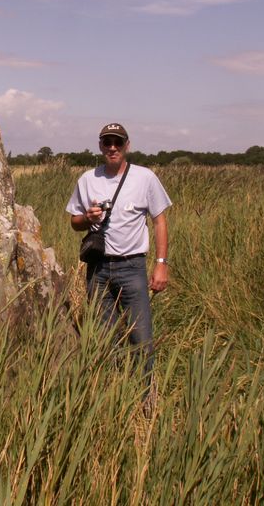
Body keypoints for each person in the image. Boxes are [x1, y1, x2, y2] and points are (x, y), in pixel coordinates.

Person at [65, 122, 171, 385]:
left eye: (118, 142)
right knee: (104, 337)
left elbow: (159, 221)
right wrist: (88, 218)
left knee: (141, 338)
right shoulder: (88, 179)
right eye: (107, 142)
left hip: (132, 267)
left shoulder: (145, 178)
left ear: (127, 146)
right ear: (100, 145)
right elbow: (74, 222)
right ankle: (111, 393)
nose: (112, 147)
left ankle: (146, 396)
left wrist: (161, 264)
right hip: (98, 270)